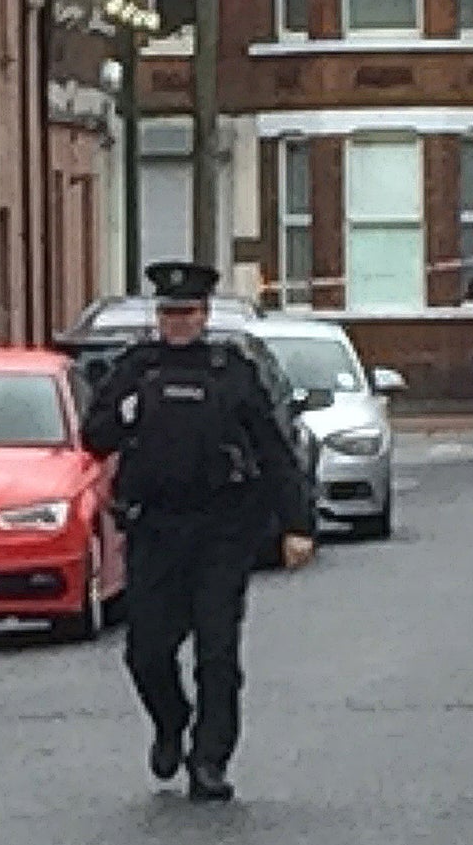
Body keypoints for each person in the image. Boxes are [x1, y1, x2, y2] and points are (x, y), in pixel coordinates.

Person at [80, 260, 316, 802]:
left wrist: (296, 524)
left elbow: (273, 450)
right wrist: (125, 415)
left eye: (187, 312)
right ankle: (170, 721)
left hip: (222, 530)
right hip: (155, 529)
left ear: (205, 315)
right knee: (147, 652)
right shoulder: (135, 369)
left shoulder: (230, 371)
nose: (177, 322)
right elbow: (95, 438)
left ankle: (210, 759)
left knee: (217, 652)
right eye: (168, 313)